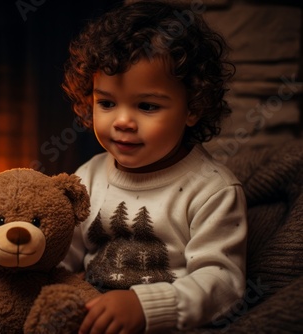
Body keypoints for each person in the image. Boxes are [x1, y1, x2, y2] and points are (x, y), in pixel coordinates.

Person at [60, 1, 247, 333]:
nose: (122, 122)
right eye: (106, 103)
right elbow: (62, 254)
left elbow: (222, 282)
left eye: (147, 106)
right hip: (91, 314)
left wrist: (147, 308)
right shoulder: (87, 176)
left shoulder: (211, 190)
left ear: (193, 108)